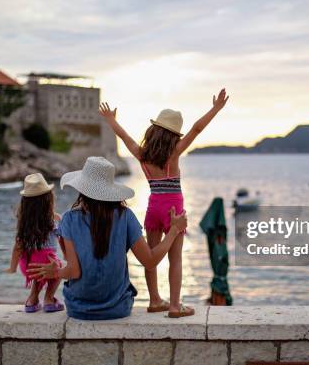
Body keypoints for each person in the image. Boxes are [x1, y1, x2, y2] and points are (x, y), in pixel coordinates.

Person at [99, 88, 229, 317]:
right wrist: (216, 108)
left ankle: (155, 300)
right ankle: (175, 306)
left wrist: (111, 120)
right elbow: (197, 129)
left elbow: (125, 137)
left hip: (153, 208)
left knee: (152, 256)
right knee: (175, 258)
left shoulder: (142, 154)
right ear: (173, 135)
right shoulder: (175, 153)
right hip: (173, 211)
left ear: (154, 130)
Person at [27, 156, 187, 320]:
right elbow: (150, 261)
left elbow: (74, 272)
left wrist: (56, 272)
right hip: (118, 308)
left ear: (83, 188)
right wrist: (174, 230)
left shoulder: (68, 219)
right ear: (110, 190)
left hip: (78, 309)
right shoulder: (125, 216)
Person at [5, 173, 65, 313]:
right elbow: (62, 239)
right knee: (58, 270)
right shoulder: (53, 220)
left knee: (38, 275)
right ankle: (49, 299)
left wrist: (13, 268)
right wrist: (67, 256)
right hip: (47, 262)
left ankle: (32, 301)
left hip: (28, 265)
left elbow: (17, 248)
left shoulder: (24, 224)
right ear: (49, 199)